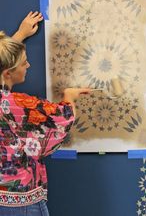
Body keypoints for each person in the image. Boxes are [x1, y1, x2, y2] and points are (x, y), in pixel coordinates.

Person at [0, 11, 90, 215]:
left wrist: (19, 35)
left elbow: (3, 63)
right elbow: (63, 116)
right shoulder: (21, 104)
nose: (28, 65)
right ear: (8, 72)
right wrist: (69, 96)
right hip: (20, 206)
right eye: (24, 62)